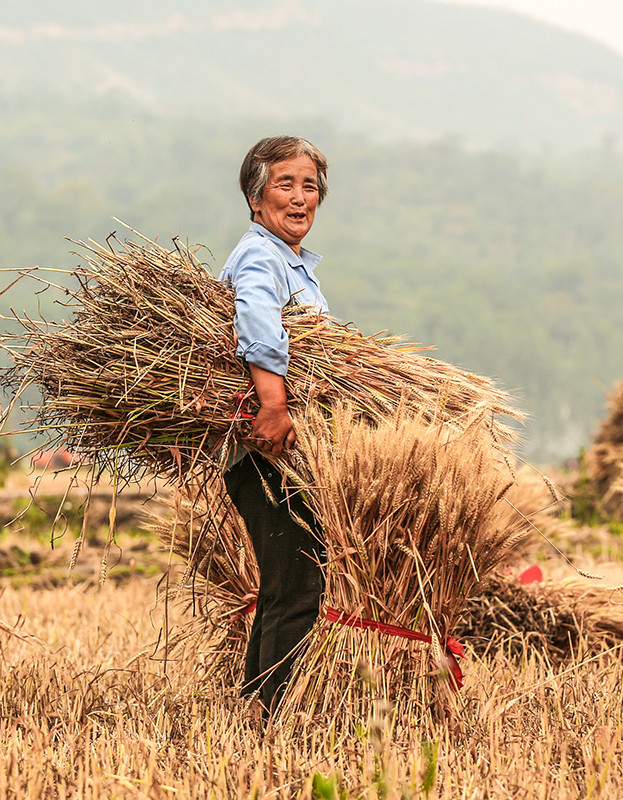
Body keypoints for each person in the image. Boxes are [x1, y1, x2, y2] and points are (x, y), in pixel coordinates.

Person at [219, 136, 330, 716]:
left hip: (283, 449)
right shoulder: (260, 256)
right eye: (285, 184)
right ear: (255, 197)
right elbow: (258, 325)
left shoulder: (291, 263)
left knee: (291, 582)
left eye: (310, 185)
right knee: (295, 585)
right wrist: (274, 404)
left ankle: (259, 710)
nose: (300, 197)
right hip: (266, 445)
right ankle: (271, 716)